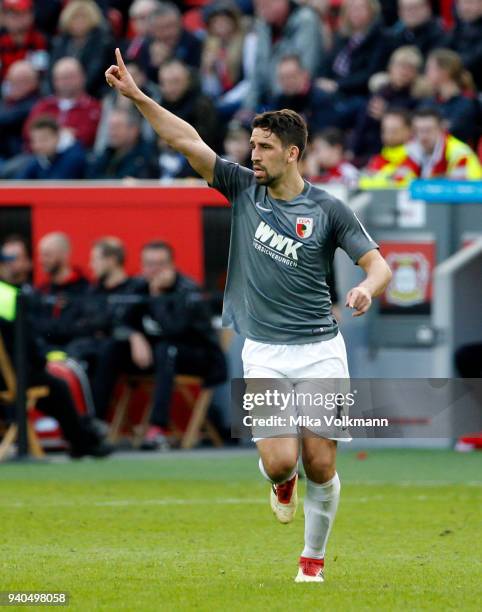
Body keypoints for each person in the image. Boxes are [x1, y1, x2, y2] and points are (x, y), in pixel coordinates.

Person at [105, 48, 392, 581]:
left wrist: (366, 290)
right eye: (251, 145)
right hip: (262, 348)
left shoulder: (328, 209)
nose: (252, 154)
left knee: (322, 464)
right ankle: (279, 482)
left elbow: (377, 265)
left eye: (264, 147)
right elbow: (187, 141)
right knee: (284, 462)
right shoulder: (240, 187)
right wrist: (140, 96)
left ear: (293, 152)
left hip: (321, 348)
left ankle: (312, 562)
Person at [91, 240, 227, 447]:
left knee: (167, 349)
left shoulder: (187, 290)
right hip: (159, 356)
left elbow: (174, 330)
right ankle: (95, 424)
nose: (153, 270)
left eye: (160, 264)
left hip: (199, 357)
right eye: (148, 264)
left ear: (172, 265)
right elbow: (115, 322)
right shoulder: (138, 286)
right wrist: (134, 336)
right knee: (113, 347)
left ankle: (157, 429)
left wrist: (157, 296)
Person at [0, 275, 111, 459]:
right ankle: (82, 440)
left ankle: (83, 435)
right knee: (57, 387)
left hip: (7, 375)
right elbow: (25, 341)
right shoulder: (8, 295)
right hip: (8, 378)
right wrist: (40, 362)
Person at [242, 0, 323, 111]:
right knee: (226, 113)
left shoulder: (305, 21)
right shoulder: (263, 25)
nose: (261, 11)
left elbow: (306, 71)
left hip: (294, 101)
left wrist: (276, 105)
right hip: (266, 99)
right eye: (258, 6)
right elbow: (256, 73)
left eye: (266, 5)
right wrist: (247, 107)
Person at [25, 57, 101, 149]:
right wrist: (64, 135)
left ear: (82, 77)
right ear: (54, 81)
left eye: (70, 77)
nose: (66, 82)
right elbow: (28, 132)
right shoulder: (43, 105)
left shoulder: (93, 107)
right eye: (61, 78)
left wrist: (50, 136)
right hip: (39, 155)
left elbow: (88, 136)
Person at [33, 232, 89, 351]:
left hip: (74, 357)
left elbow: (81, 329)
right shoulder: (40, 291)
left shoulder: (86, 290)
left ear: (64, 255)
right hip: (41, 358)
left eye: (47, 255)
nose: (41, 260)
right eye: (40, 255)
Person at [49, 0, 114, 98]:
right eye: (75, 17)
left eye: (83, 17)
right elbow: (51, 70)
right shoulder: (60, 42)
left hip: (94, 94)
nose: (79, 22)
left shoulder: (103, 43)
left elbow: (98, 73)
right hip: (60, 93)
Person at [406, 107, 482, 179]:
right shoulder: (411, 148)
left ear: (441, 129)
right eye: (418, 130)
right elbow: (400, 182)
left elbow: (461, 186)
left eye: (428, 130)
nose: (422, 136)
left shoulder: (459, 153)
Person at [422, 48, 478, 145]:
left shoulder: (468, 101)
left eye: (429, 68)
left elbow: (453, 130)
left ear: (444, 71)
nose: (426, 73)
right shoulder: (429, 101)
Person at [88, 108, 158, 179]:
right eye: (111, 127)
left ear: (133, 130)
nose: (112, 132)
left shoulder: (147, 156)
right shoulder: (107, 153)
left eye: (117, 127)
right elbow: (91, 178)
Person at [359, 108, 416, 188]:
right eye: (384, 130)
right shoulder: (377, 159)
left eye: (394, 130)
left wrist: (377, 179)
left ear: (409, 131)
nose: (388, 135)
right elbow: (361, 183)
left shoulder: (416, 158)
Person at [16, 115, 87, 180]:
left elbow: (56, 187)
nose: (38, 145)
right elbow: (20, 182)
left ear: (57, 137)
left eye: (43, 140)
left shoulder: (74, 157)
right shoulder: (40, 157)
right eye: (34, 141)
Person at [0, 60, 40, 161]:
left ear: (34, 83)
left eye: (21, 81)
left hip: (18, 156)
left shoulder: (35, 103)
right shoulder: (8, 101)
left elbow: (6, 119)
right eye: (11, 81)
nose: (14, 85)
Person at [0, 0, 48, 82]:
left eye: (22, 13)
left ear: (31, 15)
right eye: (12, 14)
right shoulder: (2, 40)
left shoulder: (40, 40)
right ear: (3, 17)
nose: (17, 19)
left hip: (33, 90)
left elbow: (41, 73)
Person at [447, 0, 482, 91]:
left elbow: (473, 59)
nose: (464, 7)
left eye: (470, 2)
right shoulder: (458, 27)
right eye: (460, 3)